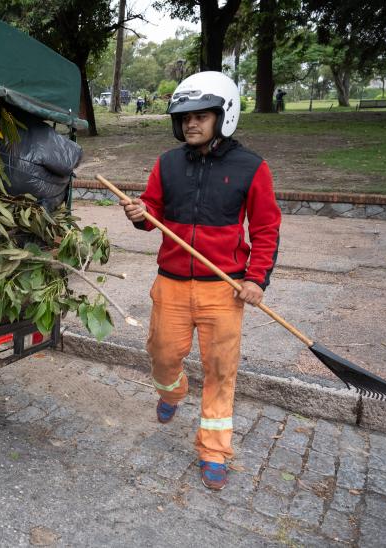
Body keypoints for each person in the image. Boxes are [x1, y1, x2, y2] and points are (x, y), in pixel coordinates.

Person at [119, 71, 281, 490]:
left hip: (223, 289)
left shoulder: (251, 167)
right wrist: (139, 215)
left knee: (221, 370)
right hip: (170, 283)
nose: (191, 124)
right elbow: (151, 211)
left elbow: (265, 229)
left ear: (224, 116)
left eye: (201, 116)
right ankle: (172, 393)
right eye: (185, 117)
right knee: (162, 355)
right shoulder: (167, 163)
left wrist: (257, 279)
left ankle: (213, 449)